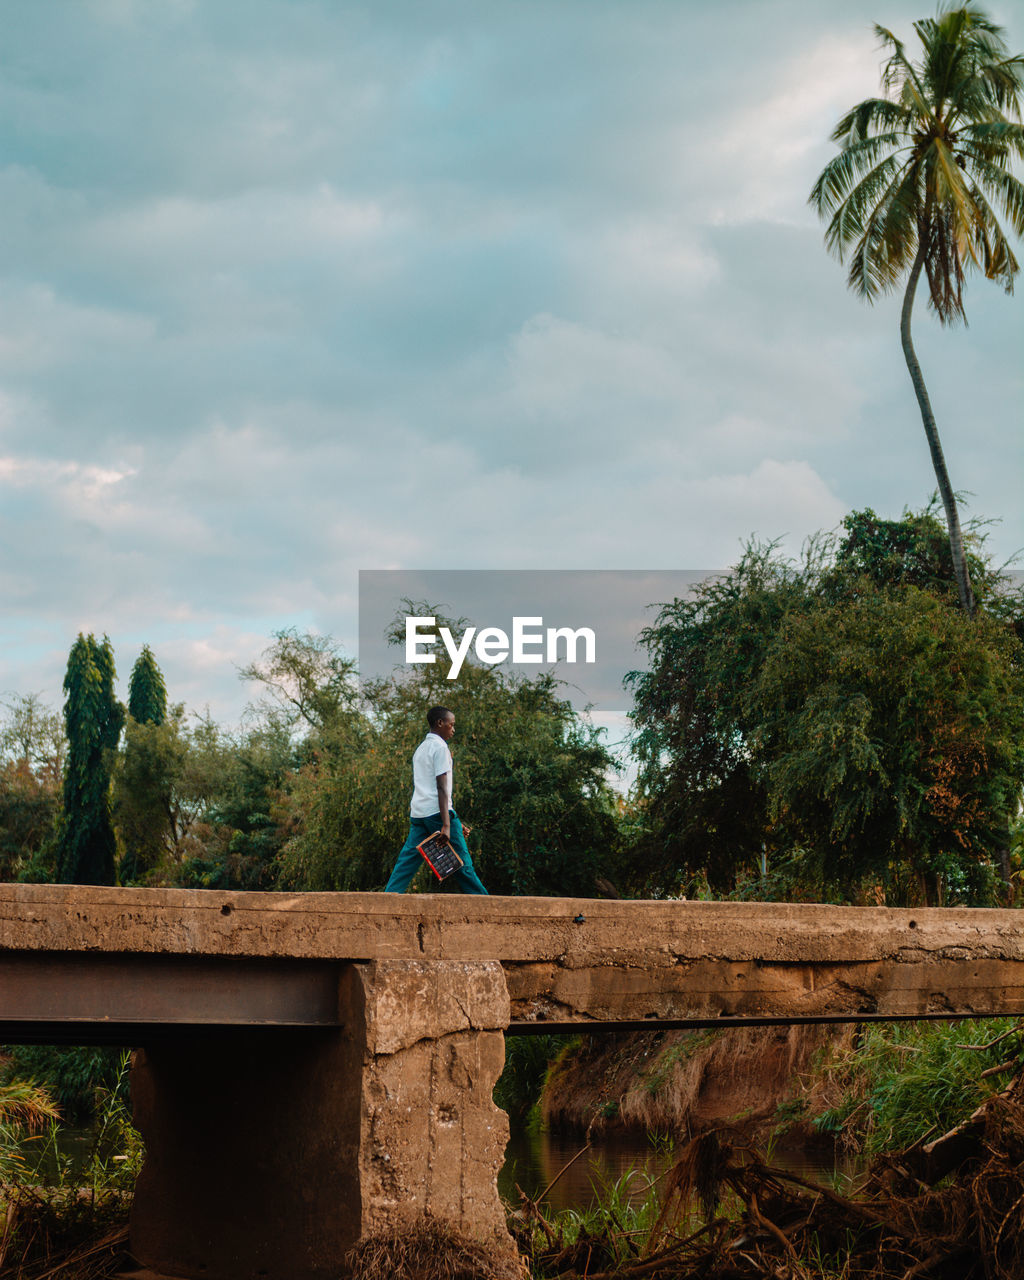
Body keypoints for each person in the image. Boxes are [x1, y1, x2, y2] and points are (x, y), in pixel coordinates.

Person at [384, 705, 488, 894]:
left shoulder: (421, 749)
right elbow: (441, 787)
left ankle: (389, 897)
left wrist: (454, 820)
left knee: (407, 861)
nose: (453, 729)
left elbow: (429, 786)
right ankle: (488, 907)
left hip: (419, 814)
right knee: (462, 862)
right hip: (438, 814)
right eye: (451, 724)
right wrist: (447, 825)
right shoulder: (440, 748)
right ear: (440, 723)